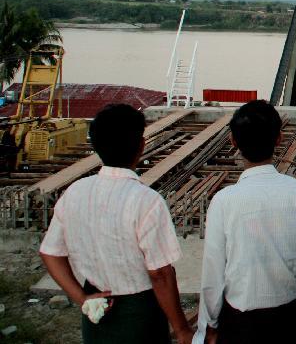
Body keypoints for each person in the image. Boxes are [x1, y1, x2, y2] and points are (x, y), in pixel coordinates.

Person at [39, 104, 192, 344]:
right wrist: (181, 329)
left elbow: (50, 253)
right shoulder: (146, 200)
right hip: (138, 313)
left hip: (96, 310)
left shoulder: (76, 192)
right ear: (141, 146)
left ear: (95, 145)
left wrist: (82, 298)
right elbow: (160, 274)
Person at [196, 100, 296, 343]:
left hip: (240, 324)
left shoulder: (223, 201)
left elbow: (213, 274)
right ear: (279, 139)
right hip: (288, 319)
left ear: (233, 142)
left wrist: (208, 326)